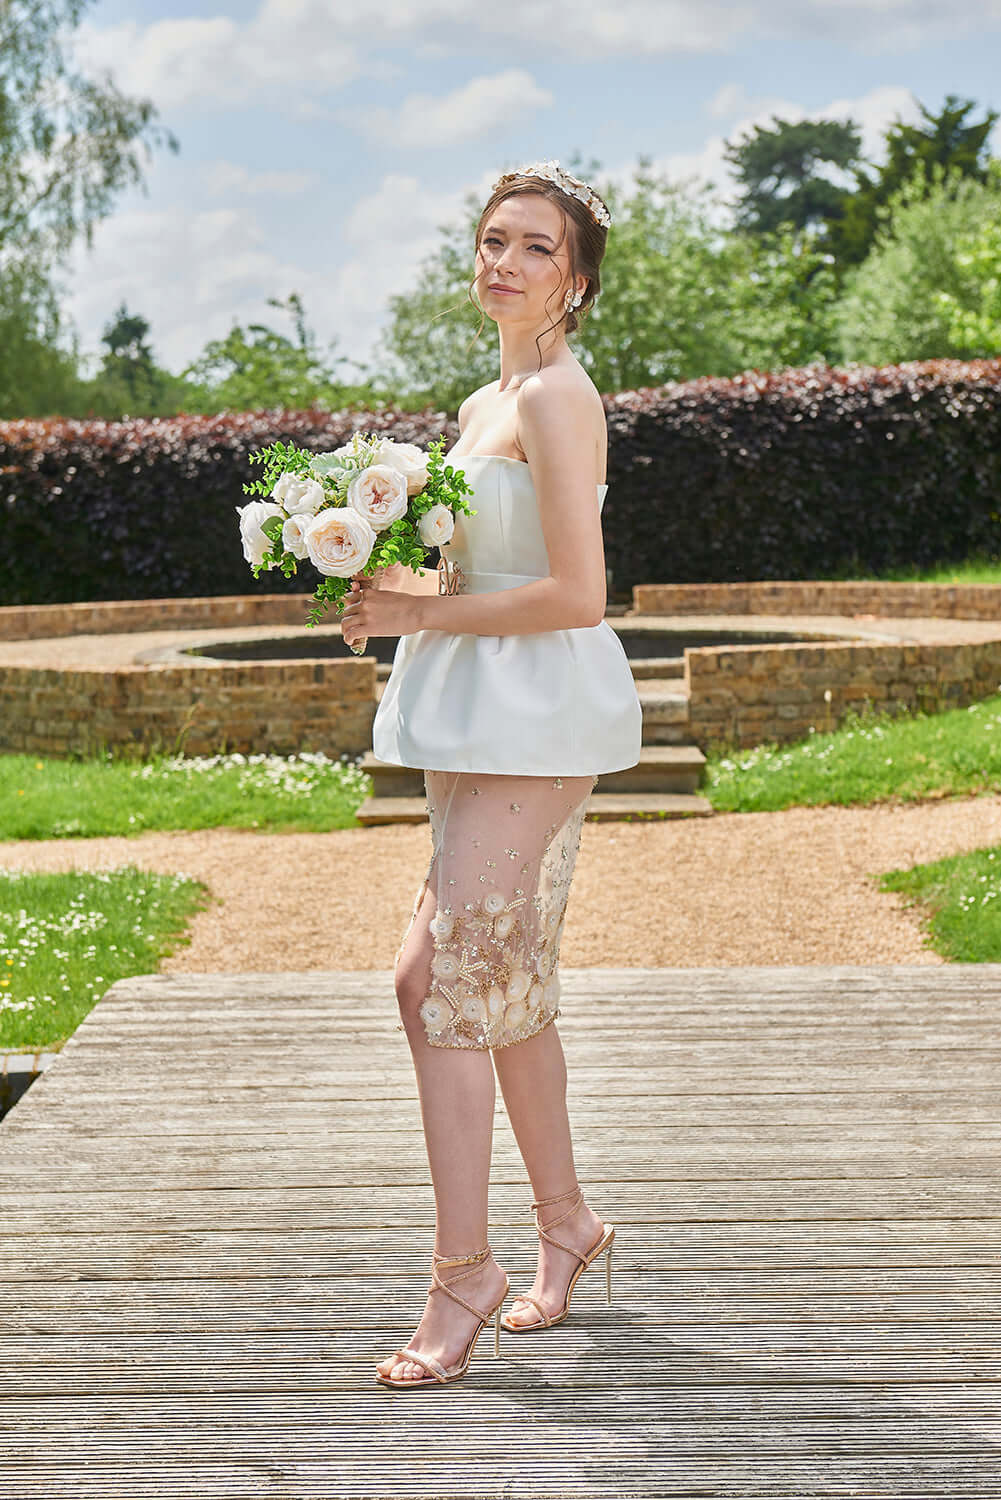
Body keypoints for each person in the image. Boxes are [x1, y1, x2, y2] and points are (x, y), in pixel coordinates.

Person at [339, 160, 643, 1390]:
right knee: (500, 977)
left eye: (531, 247)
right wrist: (373, 582)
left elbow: (578, 591)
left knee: (432, 980)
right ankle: (566, 1223)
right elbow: (462, 570)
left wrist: (429, 599)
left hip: (536, 716)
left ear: (572, 279)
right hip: (472, 715)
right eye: (489, 240)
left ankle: (460, 1268)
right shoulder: (481, 399)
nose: (502, 262)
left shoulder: (560, 400)